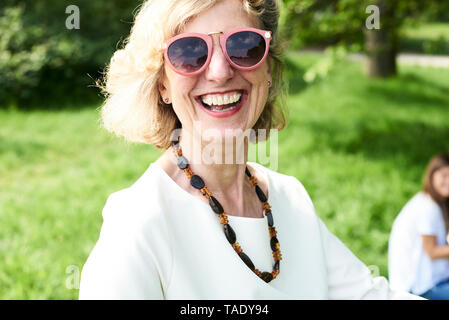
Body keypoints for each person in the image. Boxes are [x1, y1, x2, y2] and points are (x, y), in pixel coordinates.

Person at [79, 0, 419, 299]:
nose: (220, 72)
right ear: (163, 83)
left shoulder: (289, 198)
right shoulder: (139, 223)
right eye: (189, 52)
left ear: (267, 68)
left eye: (243, 46)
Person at [389, 153, 449, 299]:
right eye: (444, 175)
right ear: (432, 176)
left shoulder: (436, 204)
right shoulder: (426, 207)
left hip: (433, 280)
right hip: (418, 287)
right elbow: (432, 251)